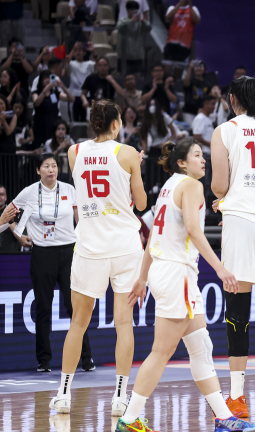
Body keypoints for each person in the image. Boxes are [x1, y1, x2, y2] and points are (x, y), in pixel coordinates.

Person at [116, 138, 255, 432]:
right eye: (197, 155)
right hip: (176, 274)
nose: (203, 159)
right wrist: (220, 269)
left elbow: (153, 239)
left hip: (165, 271)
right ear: (182, 162)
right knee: (161, 352)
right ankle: (130, 419)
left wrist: (143, 277)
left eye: (203, 155)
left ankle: (223, 418)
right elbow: (195, 231)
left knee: (201, 347)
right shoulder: (192, 186)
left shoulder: (170, 185)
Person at [49, 100, 147, 417]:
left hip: (90, 247)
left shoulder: (74, 152)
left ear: (93, 124)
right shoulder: (128, 153)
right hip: (124, 246)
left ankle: (63, 393)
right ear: (117, 124)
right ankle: (120, 397)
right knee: (124, 324)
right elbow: (142, 203)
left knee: (78, 323)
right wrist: (136, 169)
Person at [210, 75, 255, 418]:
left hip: (243, 224)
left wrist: (221, 199)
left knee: (237, 313)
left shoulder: (225, 130)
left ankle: (237, 398)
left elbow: (220, 185)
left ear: (233, 99)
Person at [9, 154, 92, 372]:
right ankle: (43, 361)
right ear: (38, 170)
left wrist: (84, 242)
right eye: (46, 166)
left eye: (54, 165)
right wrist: (19, 235)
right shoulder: (29, 192)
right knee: (43, 308)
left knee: (74, 307)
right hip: (42, 255)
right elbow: (9, 213)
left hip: (68, 253)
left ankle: (86, 358)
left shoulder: (68, 189)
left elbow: (79, 218)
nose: (51, 169)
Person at [32, 71, 73, 148]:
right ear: (41, 80)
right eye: (45, 78)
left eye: (49, 78)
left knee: (53, 144)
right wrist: (45, 91)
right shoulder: (36, 92)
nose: (47, 80)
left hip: (53, 121)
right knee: (40, 144)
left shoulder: (55, 93)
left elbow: (71, 99)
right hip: (40, 122)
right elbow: (36, 103)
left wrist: (63, 87)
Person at [115, 1, 151, 78]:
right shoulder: (123, 20)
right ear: (128, 11)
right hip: (124, 55)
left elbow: (149, 28)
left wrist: (143, 21)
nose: (134, 12)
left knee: (137, 76)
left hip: (137, 55)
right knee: (124, 76)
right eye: (131, 10)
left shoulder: (140, 22)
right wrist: (131, 21)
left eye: (135, 10)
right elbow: (119, 27)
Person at [164, 0, 200, 73]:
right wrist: (180, 4)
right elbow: (168, 18)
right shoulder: (172, 8)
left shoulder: (193, 9)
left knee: (178, 72)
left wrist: (190, 4)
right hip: (171, 43)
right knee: (167, 70)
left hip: (184, 45)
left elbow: (197, 20)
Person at [66, 42, 94, 122]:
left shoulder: (89, 64)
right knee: (74, 119)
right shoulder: (71, 63)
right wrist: (73, 49)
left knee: (87, 120)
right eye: (76, 51)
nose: (78, 52)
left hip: (86, 96)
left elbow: (99, 64)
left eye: (80, 50)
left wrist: (93, 51)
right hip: (74, 96)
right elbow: (67, 61)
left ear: (84, 53)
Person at [182, 60, 213, 124]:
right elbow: (185, 83)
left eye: (201, 67)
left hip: (202, 111)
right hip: (189, 111)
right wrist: (190, 67)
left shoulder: (208, 84)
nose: (198, 68)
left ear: (204, 69)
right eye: (196, 67)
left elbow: (209, 99)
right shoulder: (190, 81)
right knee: (192, 128)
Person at [0, 184, 20, 250]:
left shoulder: (13, 212)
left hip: (10, 255)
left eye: (2, 194)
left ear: (5, 197)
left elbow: (21, 234)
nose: (0, 197)